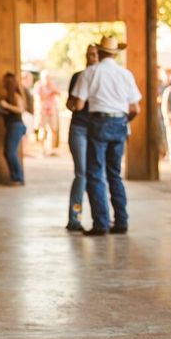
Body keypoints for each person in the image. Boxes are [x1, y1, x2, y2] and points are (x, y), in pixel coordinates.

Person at [73, 35, 141, 236]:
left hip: (98, 123)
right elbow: (135, 108)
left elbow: (77, 105)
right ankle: (121, 221)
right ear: (115, 53)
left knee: (95, 174)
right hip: (120, 123)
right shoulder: (126, 74)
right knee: (115, 174)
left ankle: (101, 223)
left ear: (100, 52)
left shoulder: (90, 73)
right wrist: (121, 121)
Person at [64, 44, 99, 231]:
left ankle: (99, 218)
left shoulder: (103, 77)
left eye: (95, 54)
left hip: (98, 130)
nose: (92, 57)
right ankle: (74, 217)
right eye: (89, 54)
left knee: (97, 174)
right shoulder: (79, 76)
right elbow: (70, 103)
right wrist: (76, 103)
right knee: (81, 174)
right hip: (79, 128)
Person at [0, 72, 27, 185]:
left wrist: (6, 106)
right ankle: (14, 177)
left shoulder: (15, 95)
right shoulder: (8, 96)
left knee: (11, 152)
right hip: (11, 126)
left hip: (16, 126)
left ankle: (18, 178)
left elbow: (21, 109)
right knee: (7, 152)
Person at [34, 70, 60, 155]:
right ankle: (42, 149)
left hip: (52, 110)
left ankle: (51, 149)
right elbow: (38, 98)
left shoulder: (52, 84)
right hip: (42, 110)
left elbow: (58, 93)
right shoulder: (39, 85)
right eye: (45, 77)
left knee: (53, 130)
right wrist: (50, 93)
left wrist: (54, 91)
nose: (47, 79)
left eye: (48, 77)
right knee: (42, 129)